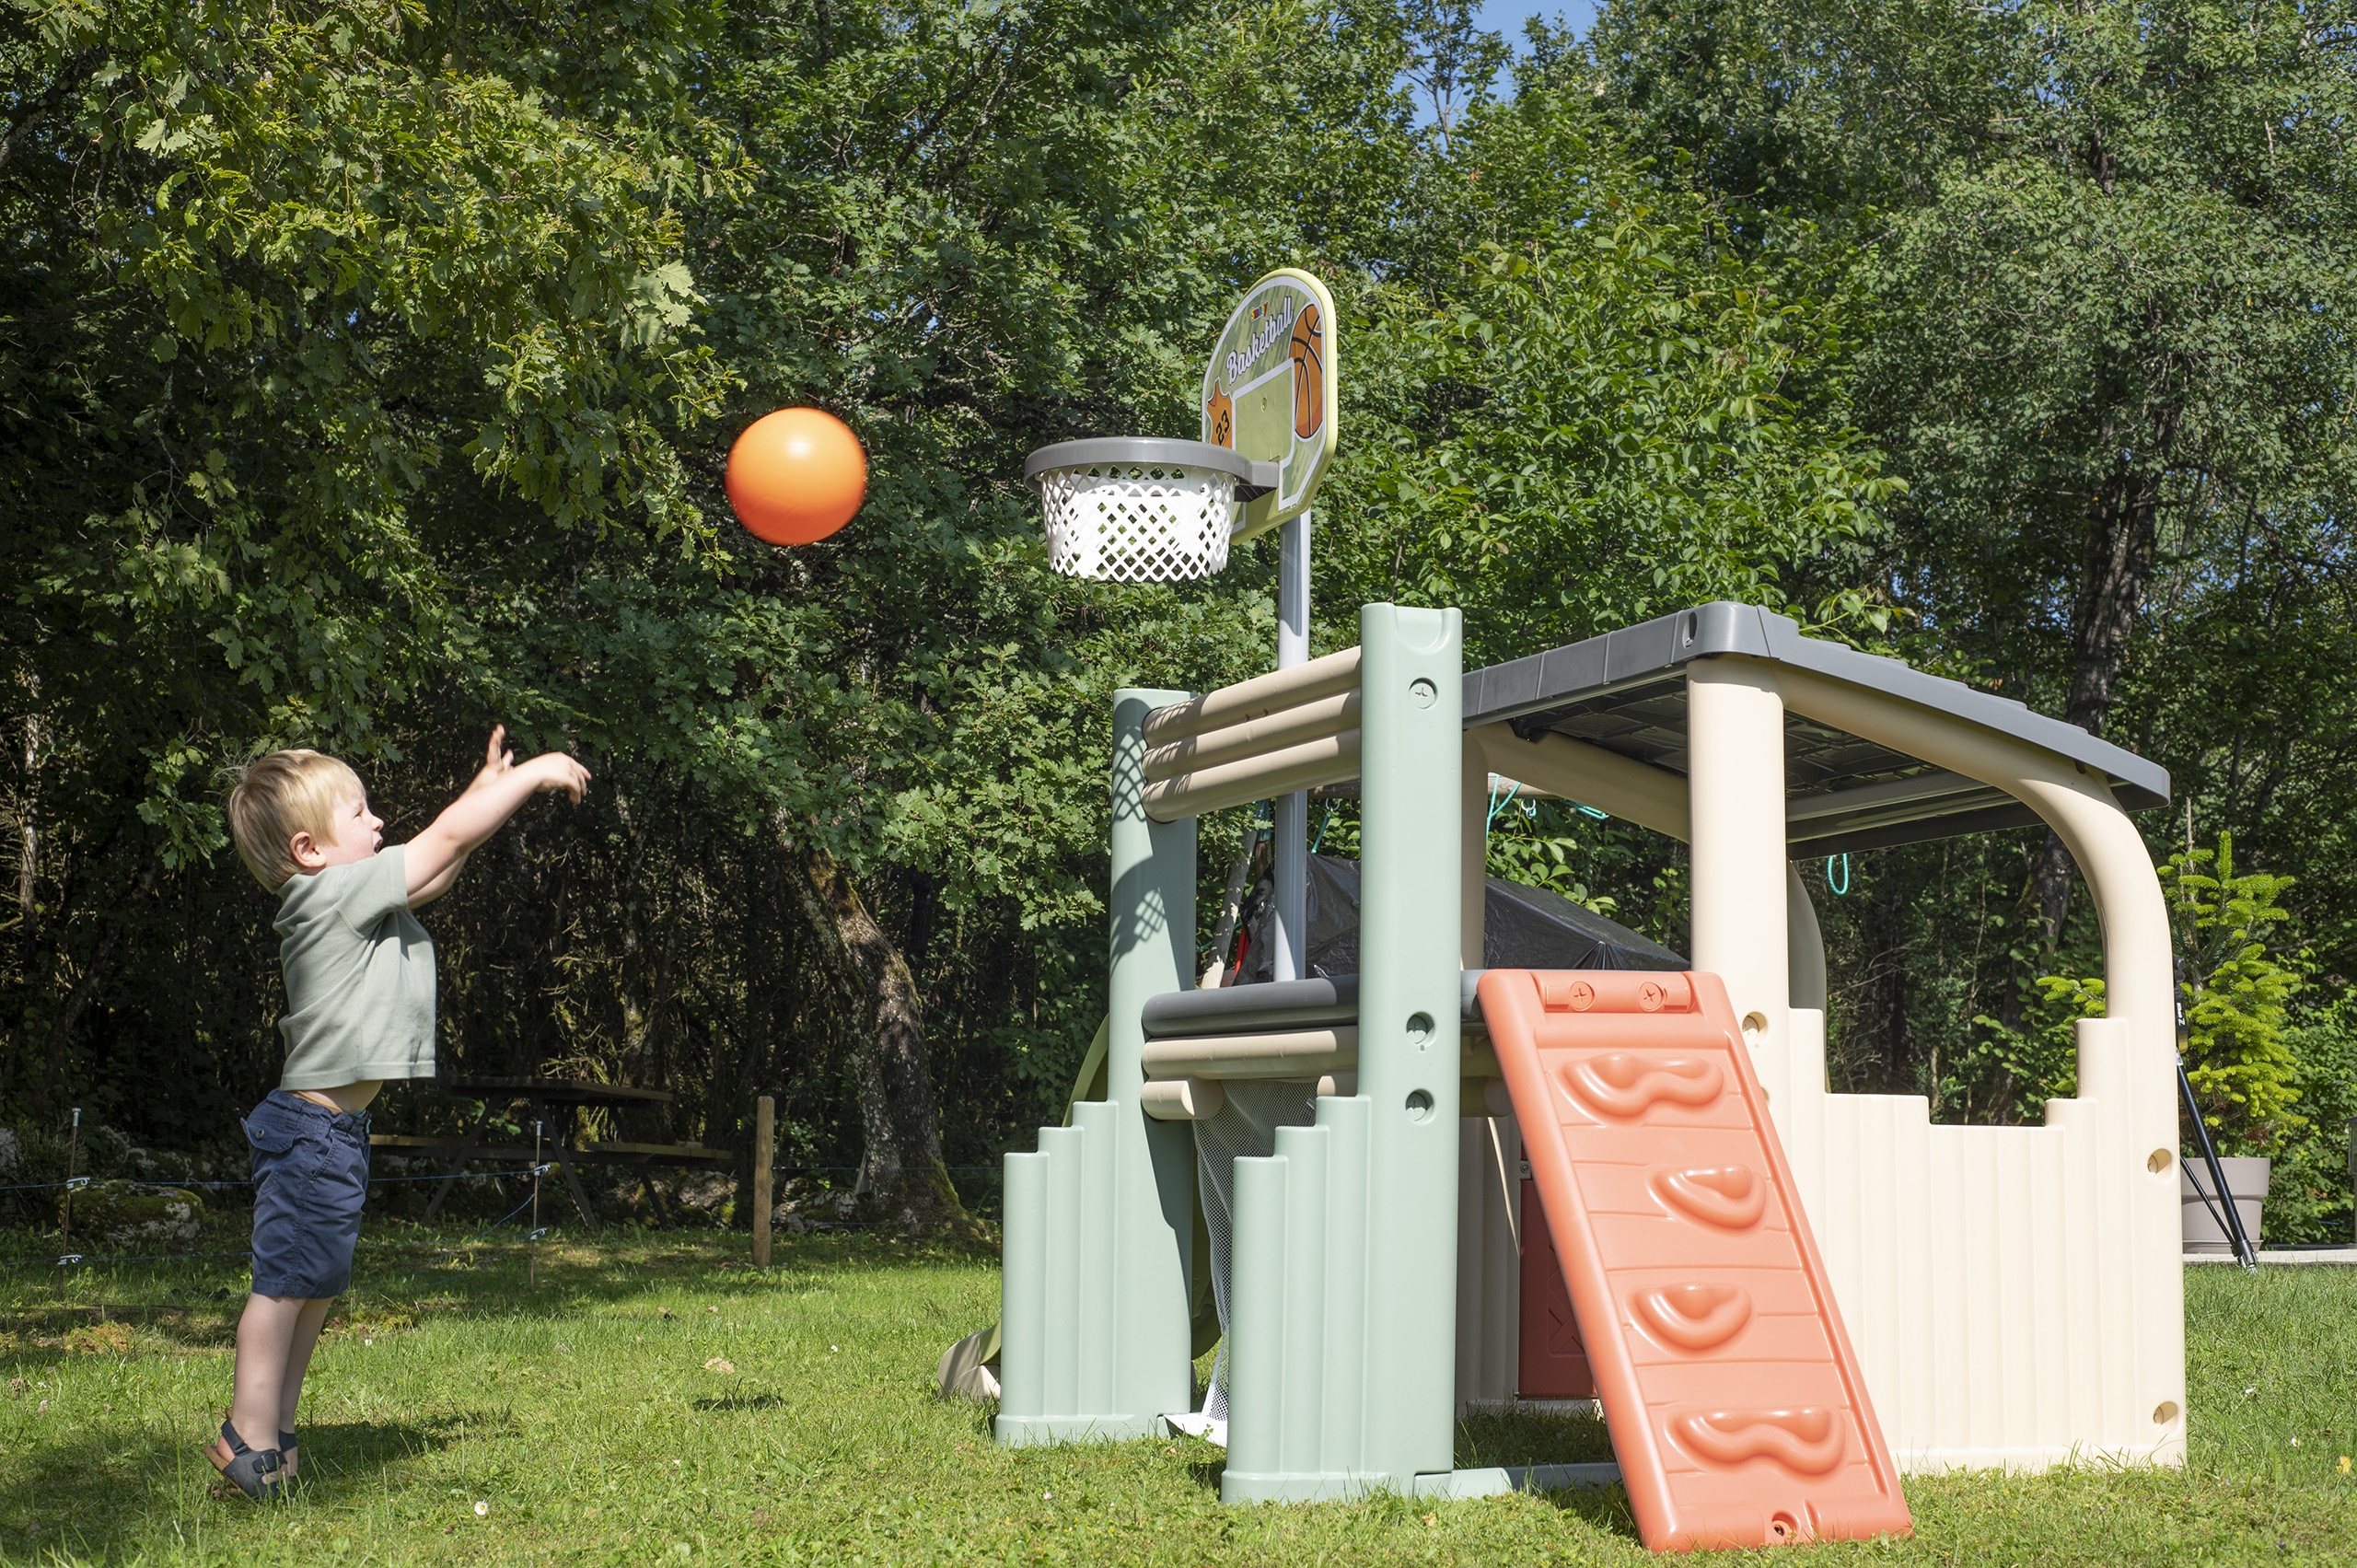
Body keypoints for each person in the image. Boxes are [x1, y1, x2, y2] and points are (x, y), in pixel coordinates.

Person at [211, 727, 589, 1498]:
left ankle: (277, 1444)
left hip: (335, 1133)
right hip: (311, 1131)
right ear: (311, 848)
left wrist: (488, 790)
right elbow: (442, 839)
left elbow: (442, 861)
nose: (379, 821)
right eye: (361, 812)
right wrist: (535, 776)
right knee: (282, 1286)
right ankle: (242, 1435)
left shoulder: (349, 895)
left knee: (313, 1290)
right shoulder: (323, 896)